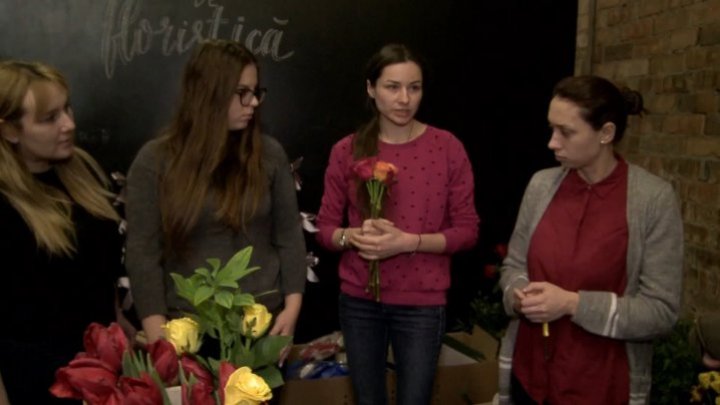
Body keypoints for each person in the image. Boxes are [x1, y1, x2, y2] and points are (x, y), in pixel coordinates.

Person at [498, 75, 683, 404]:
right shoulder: (541, 186)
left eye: (566, 132)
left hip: (600, 386)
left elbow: (660, 312)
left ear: (606, 134)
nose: (552, 143)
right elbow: (514, 264)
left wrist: (571, 304)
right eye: (551, 129)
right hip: (530, 380)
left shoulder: (652, 199)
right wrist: (519, 295)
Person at [315, 43, 479, 405]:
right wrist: (351, 236)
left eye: (414, 87)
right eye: (392, 87)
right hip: (360, 300)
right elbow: (325, 229)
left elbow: (467, 231)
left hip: (421, 302)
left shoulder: (447, 147)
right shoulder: (348, 150)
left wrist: (409, 242)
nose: (404, 98)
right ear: (371, 89)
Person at [125, 40, 306, 346]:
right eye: (242, 93)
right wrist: (159, 336)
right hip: (187, 331)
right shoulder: (155, 161)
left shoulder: (269, 155)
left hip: (261, 327)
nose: (254, 103)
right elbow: (143, 253)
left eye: (256, 91)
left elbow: (289, 236)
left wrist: (292, 309)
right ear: (209, 93)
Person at [0, 61, 122, 404]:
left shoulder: (82, 169)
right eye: (49, 118)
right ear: (9, 130)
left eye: (67, 108)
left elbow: (99, 271)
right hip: (39, 381)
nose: (69, 124)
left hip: (103, 370)